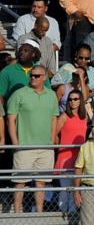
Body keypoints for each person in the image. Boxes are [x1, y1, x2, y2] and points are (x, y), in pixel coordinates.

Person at [7, 64, 58, 212]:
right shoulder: (19, 94)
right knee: (20, 182)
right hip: (24, 147)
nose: (33, 78)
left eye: (36, 76)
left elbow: (54, 118)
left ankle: (39, 213)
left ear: (44, 78)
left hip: (45, 147)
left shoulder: (51, 95)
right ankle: (17, 213)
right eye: (31, 75)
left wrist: (51, 141)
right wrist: (16, 143)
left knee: (41, 182)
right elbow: (10, 120)